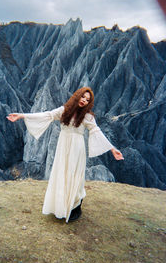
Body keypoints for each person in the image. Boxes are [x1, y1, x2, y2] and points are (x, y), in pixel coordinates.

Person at [7, 87, 124, 223]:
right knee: (62, 174)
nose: (84, 101)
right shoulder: (64, 111)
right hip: (63, 147)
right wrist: (22, 116)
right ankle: (61, 206)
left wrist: (112, 149)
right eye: (82, 97)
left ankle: (75, 205)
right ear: (77, 96)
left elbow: (97, 132)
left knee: (75, 176)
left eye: (87, 100)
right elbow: (47, 115)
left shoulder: (88, 117)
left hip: (77, 149)